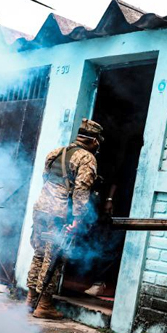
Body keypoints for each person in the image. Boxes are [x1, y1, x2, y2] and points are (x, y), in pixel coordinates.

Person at [26, 118, 104, 319]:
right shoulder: (87, 158)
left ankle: (30, 300)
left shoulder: (56, 152)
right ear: (94, 141)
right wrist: (78, 217)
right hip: (58, 214)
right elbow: (81, 189)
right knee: (54, 257)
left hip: (41, 208)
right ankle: (44, 305)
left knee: (39, 253)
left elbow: (45, 178)